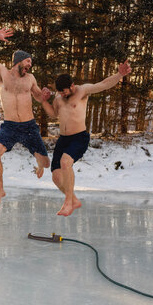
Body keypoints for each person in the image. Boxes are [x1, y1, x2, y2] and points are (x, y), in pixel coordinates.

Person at [40, 60, 132, 216]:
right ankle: (74, 200)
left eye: (64, 91)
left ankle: (68, 203)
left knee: (65, 162)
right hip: (63, 139)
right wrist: (43, 101)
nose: (62, 94)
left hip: (79, 138)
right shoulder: (58, 98)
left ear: (72, 86)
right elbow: (54, 114)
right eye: (60, 92)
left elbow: (103, 84)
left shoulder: (82, 91)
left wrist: (119, 75)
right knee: (56, 176)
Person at [0, 28, 50, 206]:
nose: (30, 64)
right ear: (18, 61)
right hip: (10, 127)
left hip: (29, 127)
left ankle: (39, 164)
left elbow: (38, 97)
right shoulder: (2, 72)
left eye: (31, 62)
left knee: (46, 164)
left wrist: (44, 96)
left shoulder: (30, 78)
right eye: (27, 61)